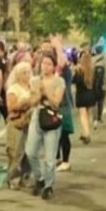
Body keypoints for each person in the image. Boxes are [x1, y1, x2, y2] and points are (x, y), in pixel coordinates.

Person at [25, 51, 66, 200]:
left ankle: (49, 185)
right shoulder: (35, 80)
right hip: (37, 115)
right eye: (43, 63)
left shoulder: (59, 81)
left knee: (49, 157)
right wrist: (37, 96)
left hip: (52, 118)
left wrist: (45, 93)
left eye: (49, 64)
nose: (45, 66)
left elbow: (56, 102)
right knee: (30, 151)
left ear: (54, 66)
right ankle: (39, 177)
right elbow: (31, 101)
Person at [4, 62, 35, 188]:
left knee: (29, 152)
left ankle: (25, 177)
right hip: (17, 123)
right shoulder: (13, 89)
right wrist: (24, 102)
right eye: (24, 73)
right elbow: (11, 107)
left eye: (29, 72)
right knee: (15, 152)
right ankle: (13, 178)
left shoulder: (32, 88)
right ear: (17, 74)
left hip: (31, 123)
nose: (27, 75)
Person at [74, 48, 99, 142]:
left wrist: (75, 71)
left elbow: (75, 81)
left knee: (82, 116)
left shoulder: (79, 71)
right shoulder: (93, 71)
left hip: (81, 95)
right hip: (91, 95)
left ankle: (87, 134)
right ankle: (84, 133)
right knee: (87, 115)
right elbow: (97, 83)